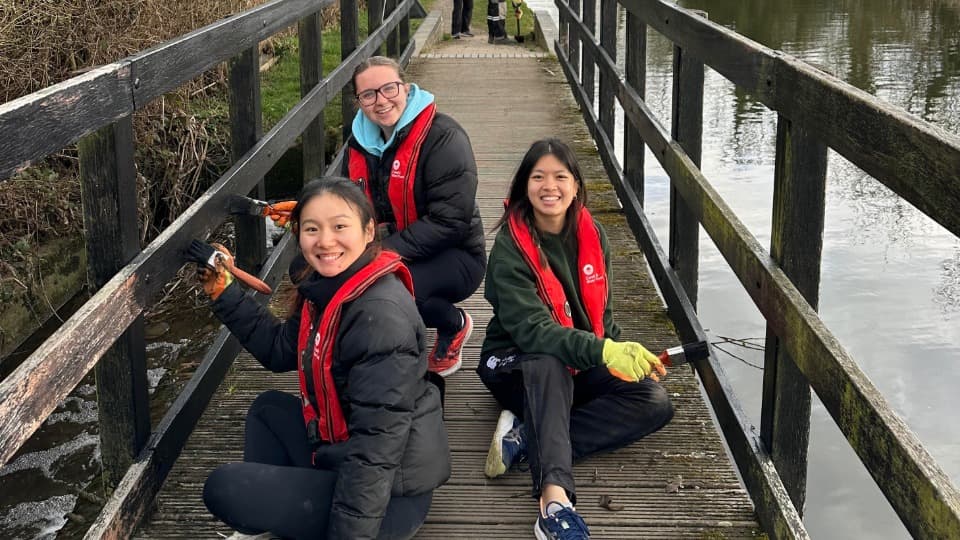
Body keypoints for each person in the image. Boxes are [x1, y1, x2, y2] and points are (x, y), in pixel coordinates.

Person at [190, 178, 450, 540]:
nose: (325, 241)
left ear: (369, 229)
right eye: (312, 228)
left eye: (339, 226)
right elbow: (282, 350)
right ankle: (286, 518)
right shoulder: (330, 286)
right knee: (267, 410)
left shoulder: (380, 318)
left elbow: (376, 449)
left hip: (389, 497)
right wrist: (225, 294)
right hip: (342, 453)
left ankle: (297, 520)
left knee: (224, 488)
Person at [477, 139, 675, 540]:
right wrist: (604, 350)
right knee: (545, 358)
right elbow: (534, 332)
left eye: (560, 177)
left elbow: (602, 319)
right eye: (538, 177)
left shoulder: (593, 233)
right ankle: (554, 503)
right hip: (515, 366)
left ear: (577, 187)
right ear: (523, 187)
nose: (550, 187)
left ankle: (526, 437)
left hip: (576, 362)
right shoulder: (509, 249)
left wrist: (625, 356)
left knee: (654, 401)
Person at [343, 56, 485, 378]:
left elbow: (450, 222)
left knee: (388, 292)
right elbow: (345, 201)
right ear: (359, 101)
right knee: (325, 274)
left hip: (456, 254)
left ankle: (455, 324)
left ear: (405, 88)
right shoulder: (359, 141)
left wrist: (381, 255)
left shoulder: (444, 137)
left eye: (389, 88)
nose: (381, 101)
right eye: (369, 95)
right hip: (395, 247)